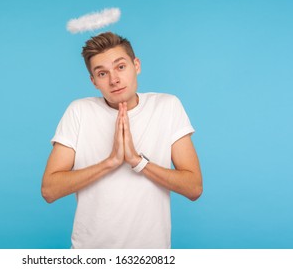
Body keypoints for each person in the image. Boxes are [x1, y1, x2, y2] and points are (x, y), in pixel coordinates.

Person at [41, 32, 203, 249]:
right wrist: (111, 162)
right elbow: (49, 190)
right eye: (102, 73)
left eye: (120, 67)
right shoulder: (79, 112)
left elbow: (193, 188)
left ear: (136, 65)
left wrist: (137, 162)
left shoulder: (167, 107)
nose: (114, 79)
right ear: (93, 81)